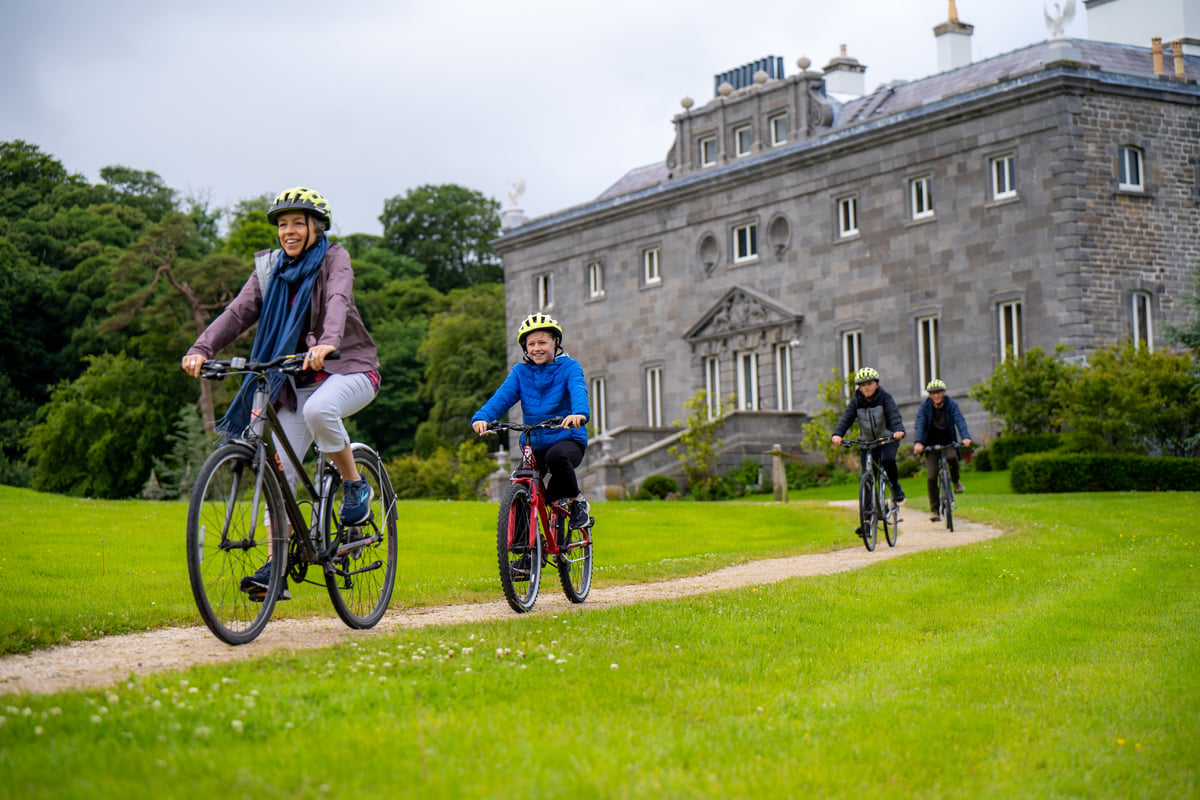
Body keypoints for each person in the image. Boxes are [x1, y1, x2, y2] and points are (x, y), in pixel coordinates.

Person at [182, 186, 381, 599]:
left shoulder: (333, 257)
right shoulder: (270, 270)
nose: (288, 231)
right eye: (282, 224)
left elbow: (339, 298)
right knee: (278, 471)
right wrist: (202, 347)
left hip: (349, 369)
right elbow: (238, 312)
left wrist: (327, 341)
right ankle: (277, 564)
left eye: (297, 223)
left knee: (321, 410)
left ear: (315, 227)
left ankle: (354, 483)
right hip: (292, 382)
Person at [472, 313, 592, 529]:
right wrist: (483, 417)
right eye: (531, 344)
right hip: (536, 443)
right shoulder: (520, 372)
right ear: (524, 348)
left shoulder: (569, 368)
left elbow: (578, 390)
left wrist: (579, 414)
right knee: (520, 483)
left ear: (556, 342)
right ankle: (522, 551)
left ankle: (577, 502)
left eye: (542, 342)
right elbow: (502, 398)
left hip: (567, 439)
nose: (537, 348)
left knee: (556, 458)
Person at [831, 367, 907, 504]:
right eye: (863, 385)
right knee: (867, 479)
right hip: (867, 442)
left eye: (869, 384)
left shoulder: (885, 398)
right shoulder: (856, 401)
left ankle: (895, 487)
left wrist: (898, 430)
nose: (866, 388)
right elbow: (846, 418)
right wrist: (837, 434)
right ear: (859, 388)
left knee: (887, 460)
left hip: (887, 439)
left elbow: (894, 415)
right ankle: (867, 521)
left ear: (876, 384)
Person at [912, 378, 973, 521]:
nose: (936, 396)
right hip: (930, 445)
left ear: (944, 393)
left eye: (939, 393)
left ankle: (956, 482)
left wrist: (965, 437)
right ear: (929, 395)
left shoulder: (951, 405)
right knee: (932, 476)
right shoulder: (924, 407)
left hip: (947, 442)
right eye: (933, 393)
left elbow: (959, 420)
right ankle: (934, 510)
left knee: (952, 458)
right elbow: (920, 424)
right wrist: (918, 442)